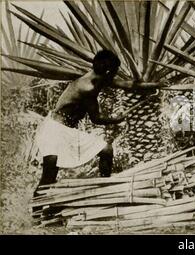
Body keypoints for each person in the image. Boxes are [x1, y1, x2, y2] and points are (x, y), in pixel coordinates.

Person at [33, 50, 161, 208]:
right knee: (49, 176)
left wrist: (157, 85)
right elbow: (96, 119)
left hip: (67, 129)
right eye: (114, 72)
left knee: (106, 150)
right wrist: (116, 120)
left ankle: (103, 188)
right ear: (108, 71)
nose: (115, 76)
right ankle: (36, 213)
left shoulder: (98, 77)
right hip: (54, 131)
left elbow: (127, 85)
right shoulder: (87, 87)